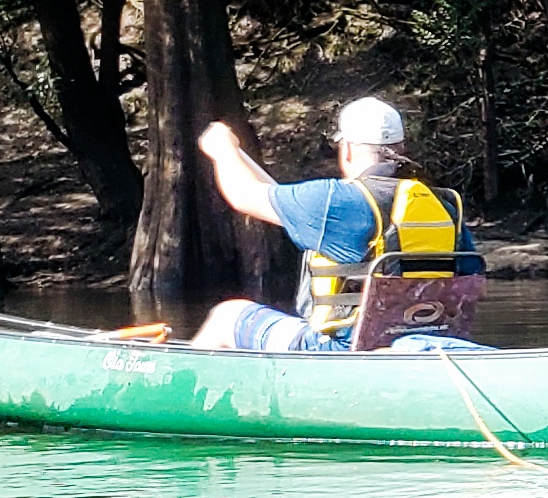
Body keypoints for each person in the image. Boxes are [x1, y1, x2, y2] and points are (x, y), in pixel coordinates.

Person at [190, 99, 476, 351]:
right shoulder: (446, 207)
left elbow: (244, 195)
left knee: (227, 317)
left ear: (348, 149)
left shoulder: (336, 201)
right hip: (425, 340)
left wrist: (223, 149)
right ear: (400, 148)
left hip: (340, 348)